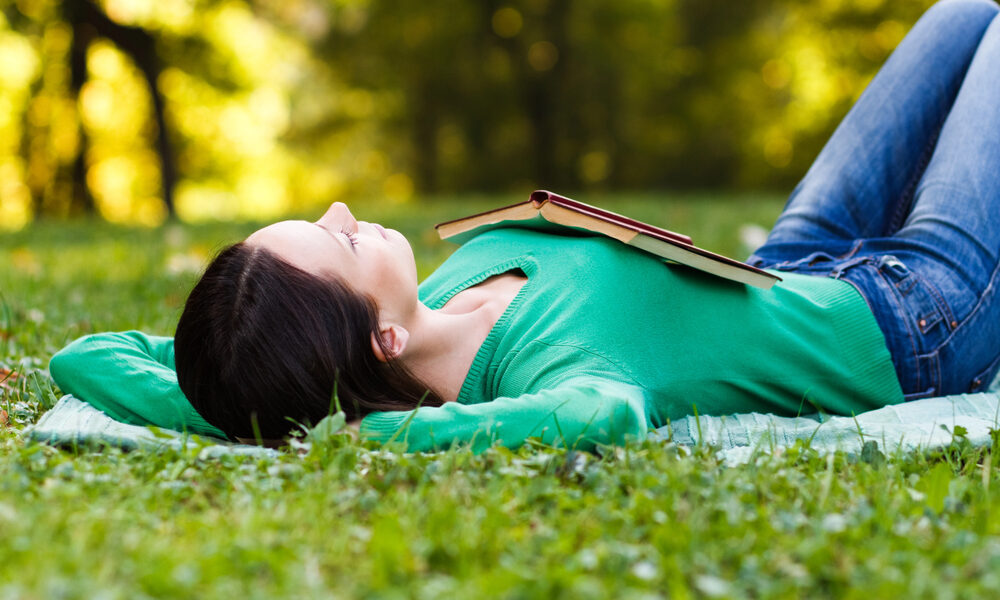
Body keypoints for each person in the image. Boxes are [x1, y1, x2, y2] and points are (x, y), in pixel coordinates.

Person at [49, 0, 1000, 452]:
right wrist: (354, 437)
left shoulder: (431, 298)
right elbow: (603, 418)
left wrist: (252, 409)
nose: (341, 210)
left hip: (788, 264)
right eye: (332, 239)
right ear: (379, 338)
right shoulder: (546, 382)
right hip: (917, 322)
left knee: (967, 10)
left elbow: (88, 355)